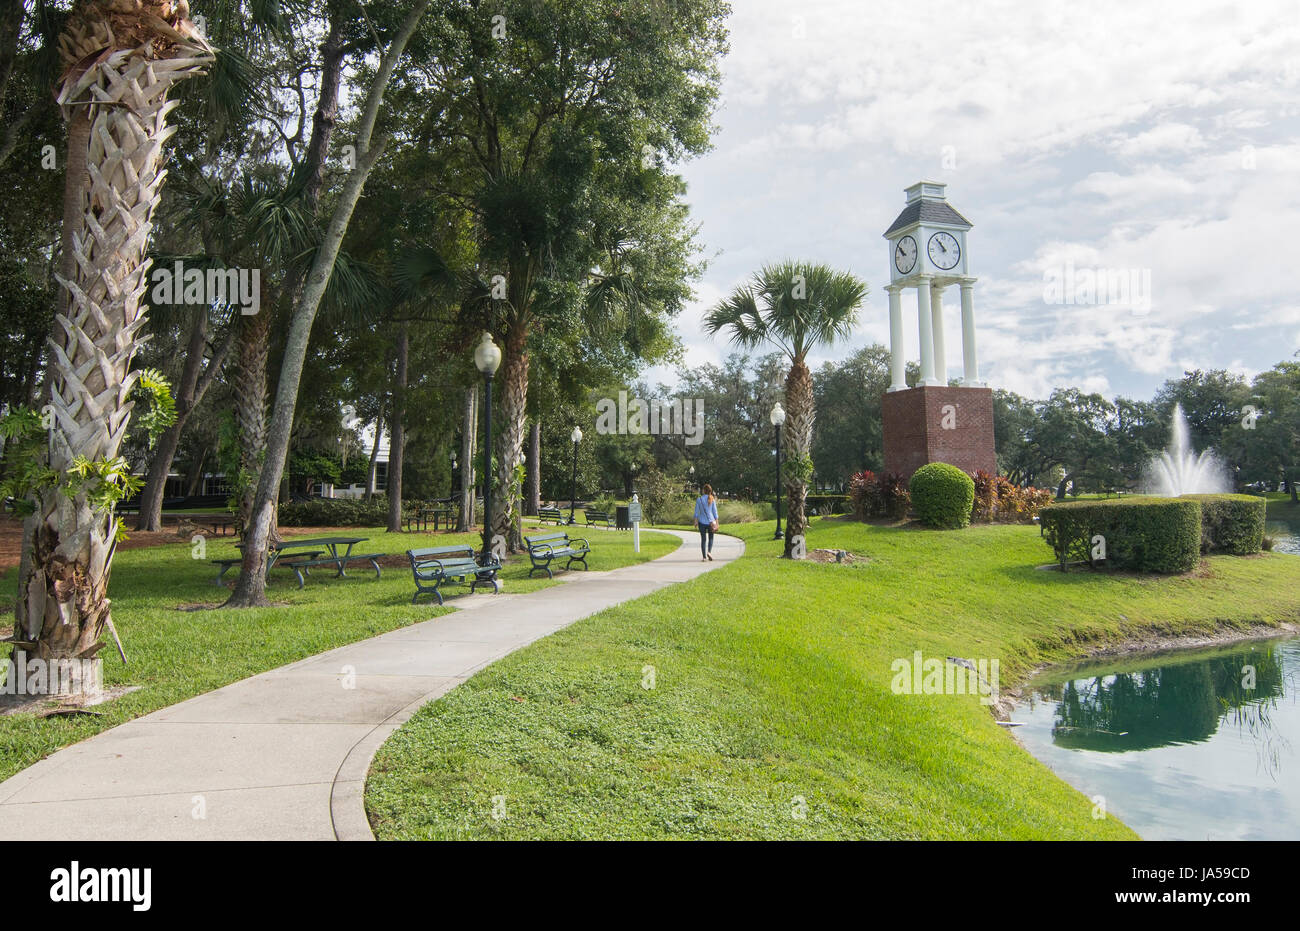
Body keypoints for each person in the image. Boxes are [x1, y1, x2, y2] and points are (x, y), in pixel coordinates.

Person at [694, 483, 719, 561]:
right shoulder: (712, 499)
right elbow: (715, 512)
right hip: (711, 522)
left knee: (703, 539)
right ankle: (709, 552)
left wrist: (695, 521)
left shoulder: (699, 499)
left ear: (704, 491)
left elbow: (696, 512)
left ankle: (704, 557)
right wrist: (717, 523)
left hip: (701, 522)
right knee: (711, 538)